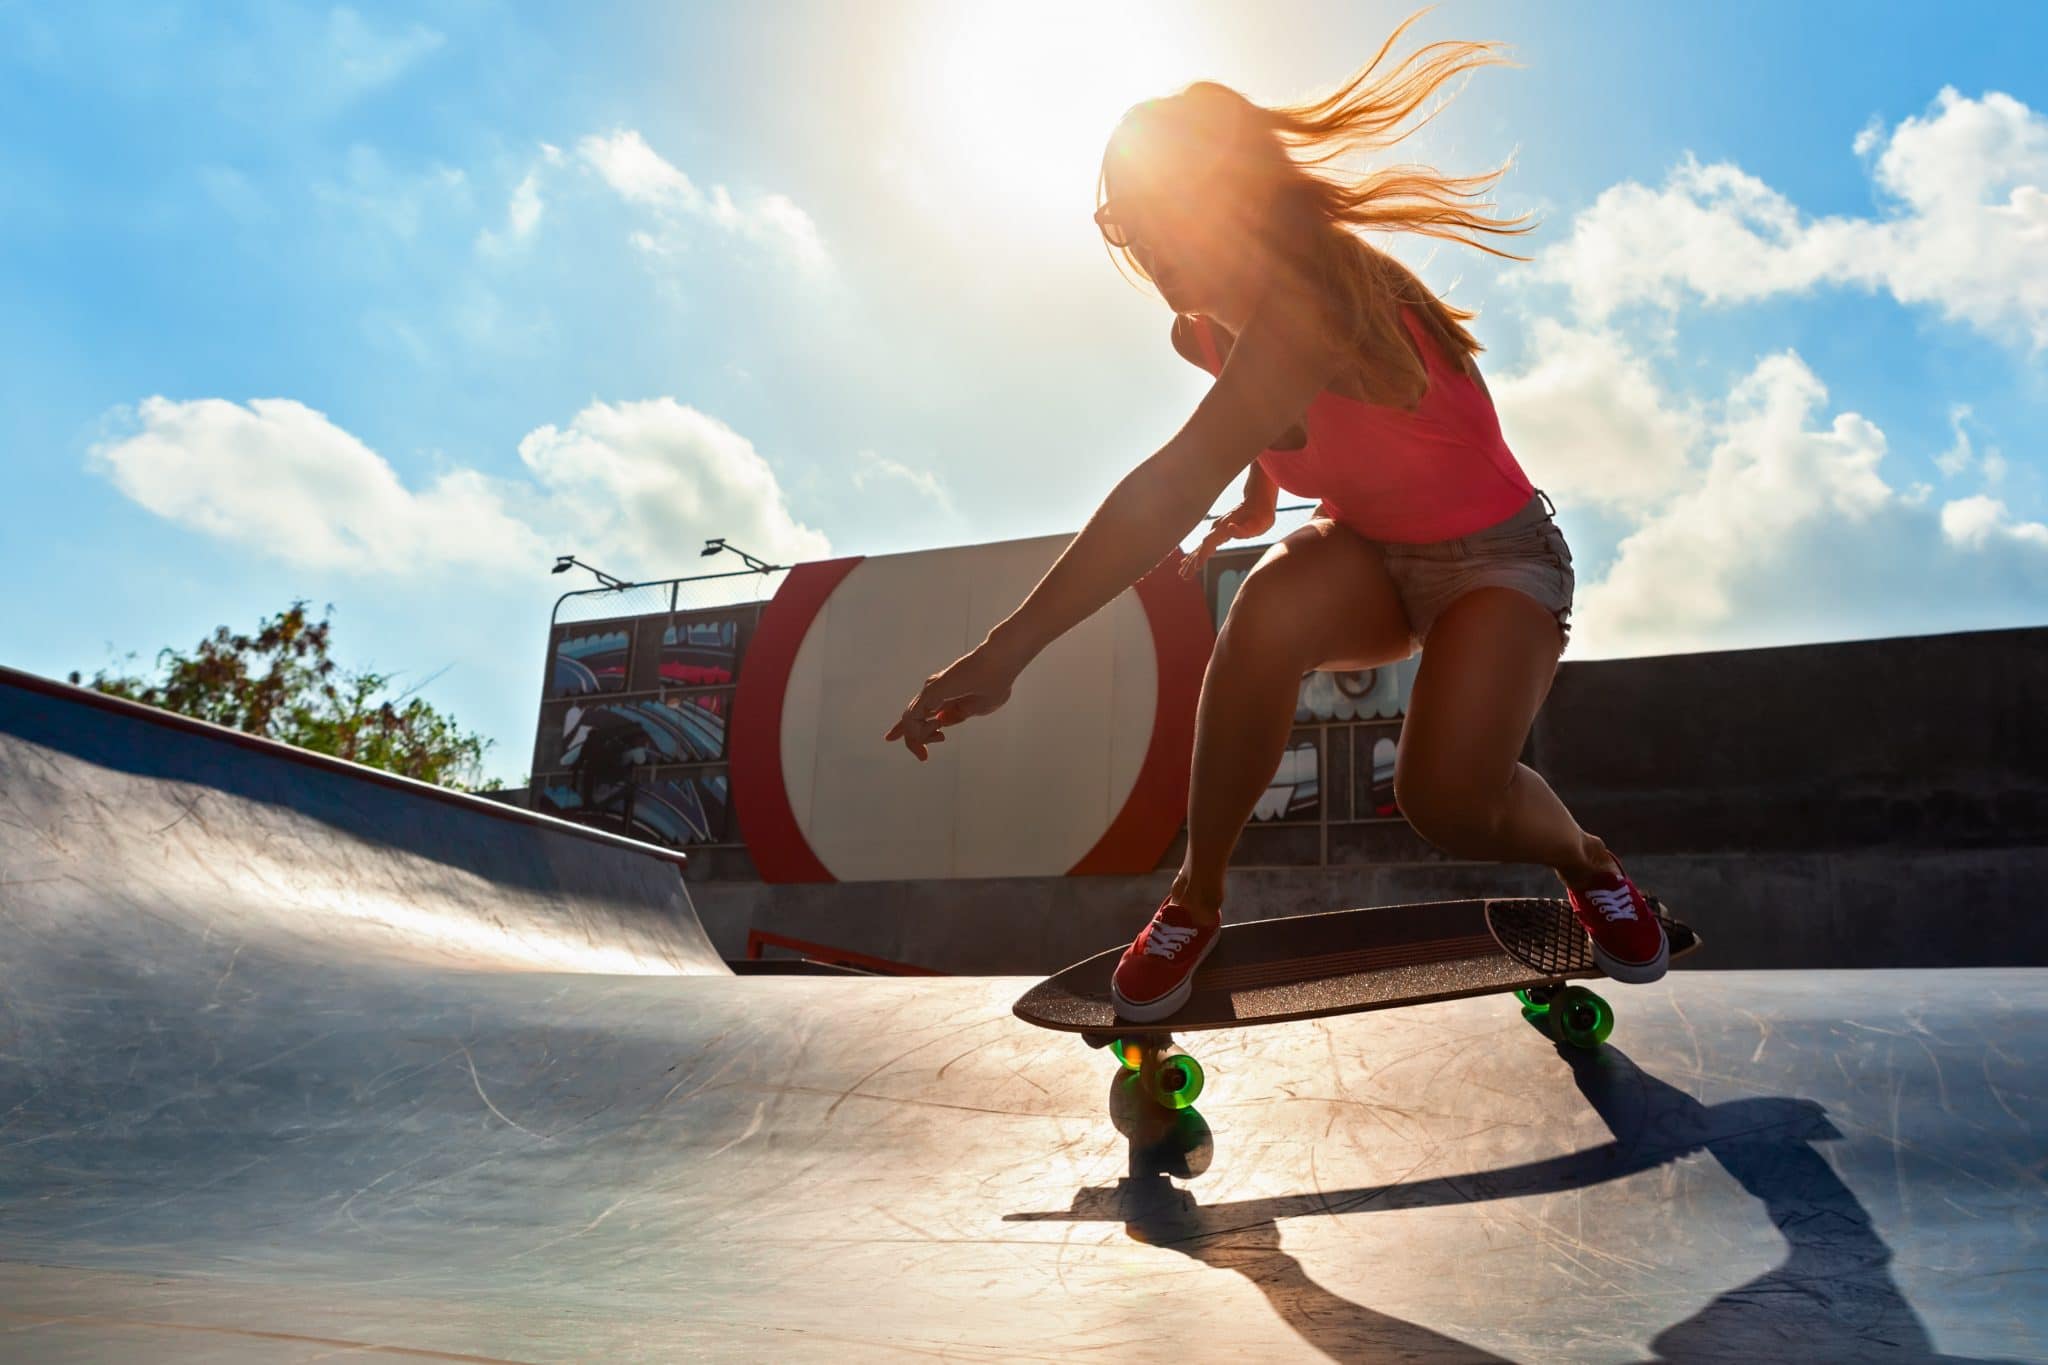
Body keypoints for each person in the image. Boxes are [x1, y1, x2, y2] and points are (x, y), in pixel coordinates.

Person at [884, 12, 1666, 1023]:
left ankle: (1587, 862)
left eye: (1170, 216)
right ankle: (1192, 899)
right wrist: (1256, 497)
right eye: (1126, 226)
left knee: (1445, 802)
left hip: (1498, 560)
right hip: (1372, 552)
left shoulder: (1320, 302)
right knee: (1263, 609)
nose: (1152, 250)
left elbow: (1173, 478)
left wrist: (1005, 650)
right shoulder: (1197, 331)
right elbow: (1260, 429)